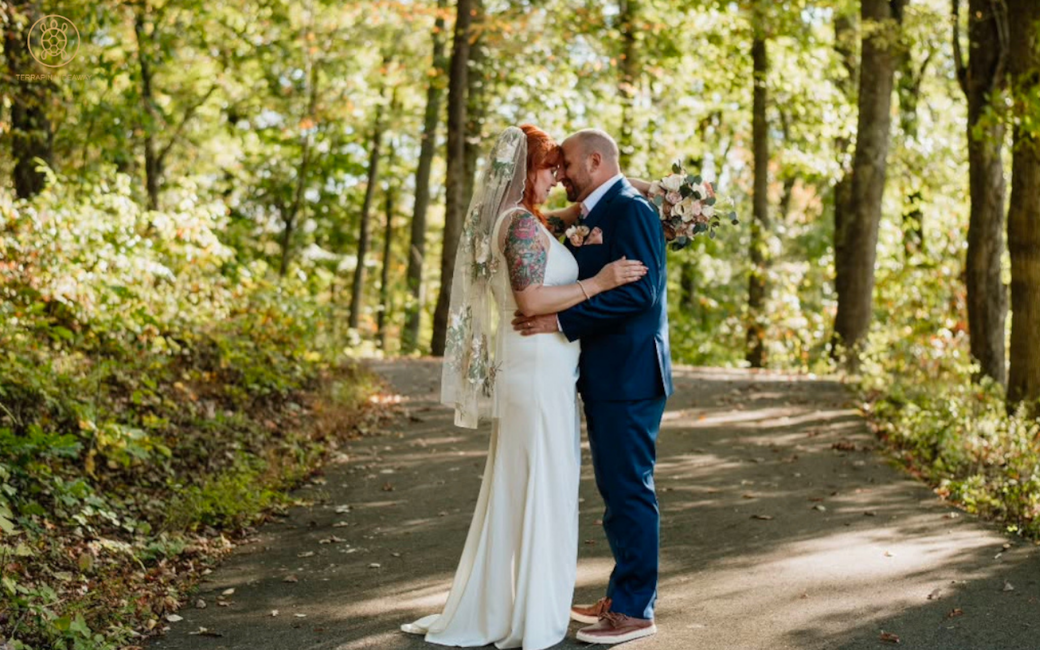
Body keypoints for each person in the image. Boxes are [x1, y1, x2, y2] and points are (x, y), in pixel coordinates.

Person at [401, 124, 647, 650]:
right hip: (534, 372)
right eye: (549, 169)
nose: (557, 178)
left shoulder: (529, 220)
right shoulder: (517, 225)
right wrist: (599, 282)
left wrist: (645, 189)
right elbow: (532, 301)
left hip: (545, 371)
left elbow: (583, 205)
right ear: (524, 171)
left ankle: (525, 602)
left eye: (562, 168)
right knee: (539, 485)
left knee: (538, 483)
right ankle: (529, 611)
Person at [513, 128, 674, 645]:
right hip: (607, 374)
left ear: (597, 161)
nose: (561, 176)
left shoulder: (630, 209)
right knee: (616, 491)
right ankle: (622, 595)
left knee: (629, 491)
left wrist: (561, 322)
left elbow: (641, 294)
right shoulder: (598, 210)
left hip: (631, 374)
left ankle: (635, 611)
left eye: (568, 166)